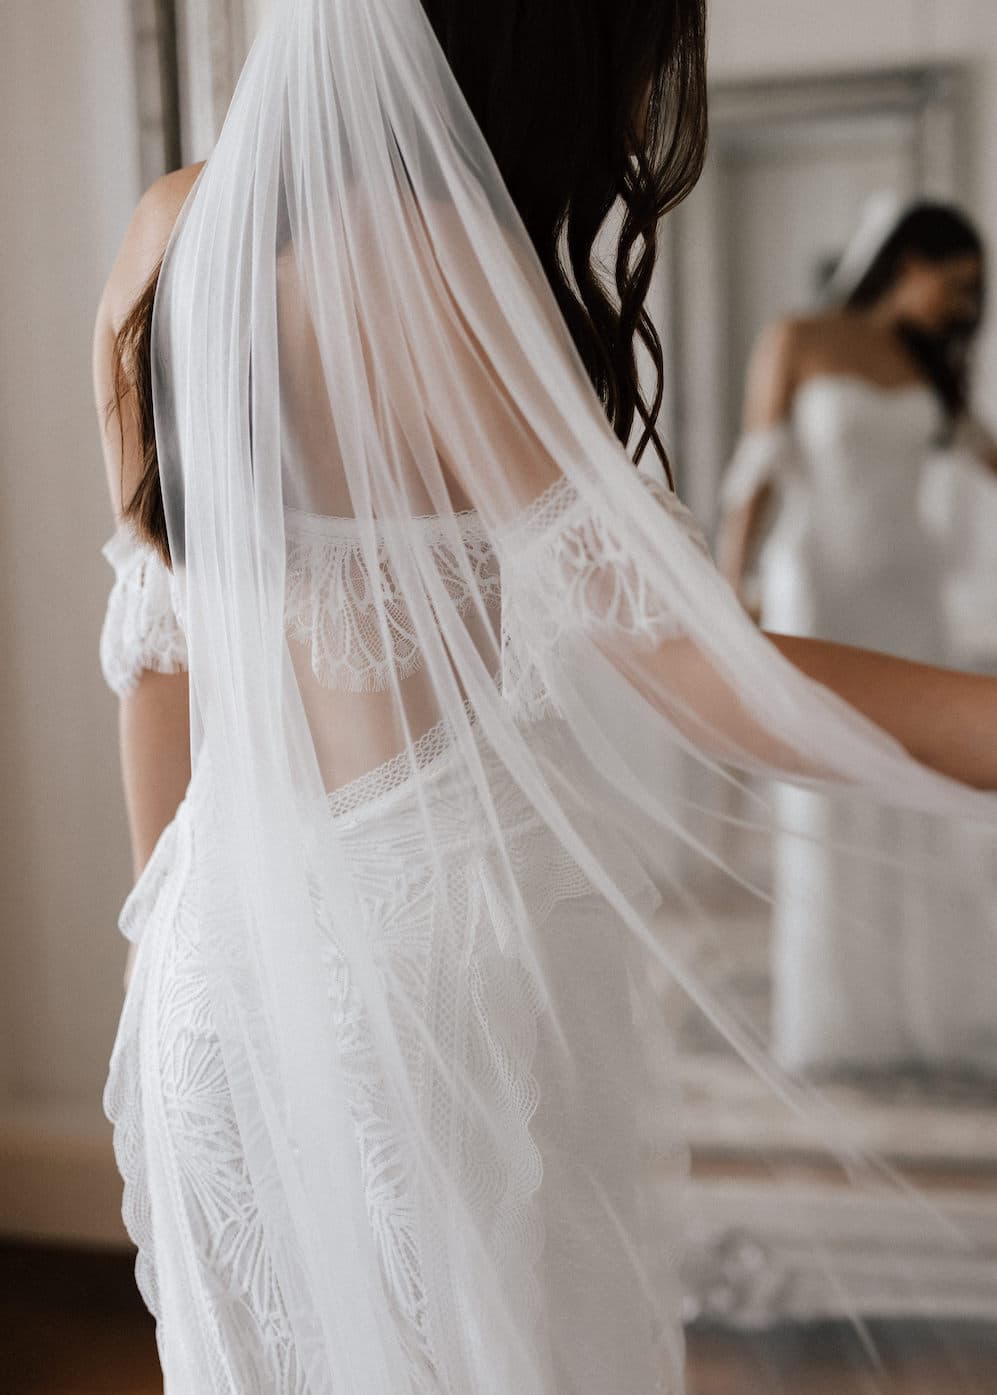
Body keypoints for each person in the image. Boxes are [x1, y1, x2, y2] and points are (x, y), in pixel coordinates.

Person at [93, 3, 997, 1391]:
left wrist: (177, 942)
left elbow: (155, 650)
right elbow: (700, 671)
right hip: (432, 959)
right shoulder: (437, 258)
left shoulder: (167, 228)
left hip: (210, 958)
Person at [715, 200, 997, 1076]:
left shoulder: (931, 370)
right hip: (819, 593)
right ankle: (841, 1023)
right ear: (903, 262)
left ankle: (927, 1011)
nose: (959, 306)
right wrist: (736, 586)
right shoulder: (796, 337)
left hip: (908, 596)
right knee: (828, 796)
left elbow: (988, 457)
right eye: (950, 285)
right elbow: (754, 477)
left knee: (920, 796)